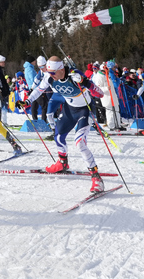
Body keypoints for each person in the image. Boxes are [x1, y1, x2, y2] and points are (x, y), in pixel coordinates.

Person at [18, 56, 106, 192]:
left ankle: (96, 177)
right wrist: (27, 101)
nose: (50, 75)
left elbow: (100, 94)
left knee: (80, 142)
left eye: (52, 73)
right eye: (48, 72)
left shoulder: (75, 75)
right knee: (58, 136)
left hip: (85, 110)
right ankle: (62, 163)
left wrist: (85, 82)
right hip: (69, 109)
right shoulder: (49, 77)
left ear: (60, 69)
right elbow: (39, 90)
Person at [92, 61, 124, 131]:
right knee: (110, 112)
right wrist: (106, 88)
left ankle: (118, 124)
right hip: (107, 97)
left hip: (113, 96)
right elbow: (98, 88)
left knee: (116, 110)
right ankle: (111, 126)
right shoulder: (99, 77)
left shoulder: (108, 75)